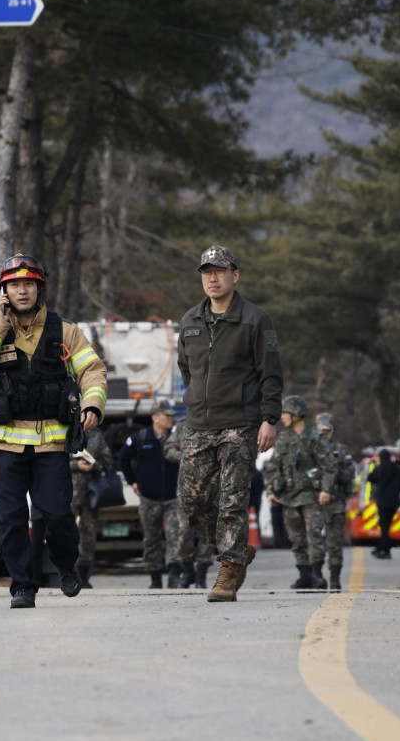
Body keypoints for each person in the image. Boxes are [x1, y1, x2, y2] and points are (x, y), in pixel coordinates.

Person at [0, 253, 108, 608]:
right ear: (4, 291)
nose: (22, 291)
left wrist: (92, 404)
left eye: (28, 284)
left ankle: (67, 566)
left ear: (39, 288)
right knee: (10, 519)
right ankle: (23, 585)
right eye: (14, 285)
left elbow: (92, 371)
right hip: (3, 442)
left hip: (50, 443)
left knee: (56, 513)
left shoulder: (65, 331)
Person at [176, 245, 284, 602]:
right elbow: (186, 370)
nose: (212, 277)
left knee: (232, 501)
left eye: (219, 271)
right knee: (191, 501)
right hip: (197, 424)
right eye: (206, 271)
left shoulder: (256, 320)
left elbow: (271, 374)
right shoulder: (190, 320)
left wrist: (269, 418)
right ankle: (236, 551)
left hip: (240, 424)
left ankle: (228, 570)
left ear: (234, 275)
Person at [264, 395, 335, 590]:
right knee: (296, 539)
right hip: (289, 497)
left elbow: (328, 466)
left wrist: (325, 490)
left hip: (312, 496)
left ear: (296, 414)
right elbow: (272, 466)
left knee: (314, 535)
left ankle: (317, 574)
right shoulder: (284, 438)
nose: (282, 417)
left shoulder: (315, 437)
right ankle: (304, 575)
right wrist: (271, 490)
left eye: (285, 413)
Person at [118, 400, 189, 588]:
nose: (171, 419)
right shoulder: (141, 438)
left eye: (172, 416)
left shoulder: (177, 440)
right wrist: (132, 480)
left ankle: (174, 575)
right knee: (151, 539)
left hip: (173, 497)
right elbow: (123, 458)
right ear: (155, 417)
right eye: (167, 416)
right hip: (149, 499)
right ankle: (155, 578)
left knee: (176, 537)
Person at [159, 414, 214, 588]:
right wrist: (186, 456)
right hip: (185, 489)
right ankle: (188, 570)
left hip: (210, 487)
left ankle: (201, 575)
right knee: (183, 533)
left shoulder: (216, 423)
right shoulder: (183, 426)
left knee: (207, 533)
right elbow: (168, 449)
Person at [315, 412, 358, 591]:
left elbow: (349, 474)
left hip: (335, 501)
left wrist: (334, 471)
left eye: (327, 431)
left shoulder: (340, 450)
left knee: (334, 542)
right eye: (321, 431)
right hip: (314, 502)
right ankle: (315, 575)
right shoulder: (310, 449)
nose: (324, 434)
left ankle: (334, 578)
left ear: (332, 431)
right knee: (313, 540)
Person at [70, 426, 114, 588]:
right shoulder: (64, 430)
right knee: (67, 536)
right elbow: (53, 463)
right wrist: (76, 466)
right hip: (68, 495)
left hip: (91, 495)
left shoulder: (96, 435)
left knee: (88, 537)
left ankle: (84, 578)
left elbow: (108, 462)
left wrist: (93, 465)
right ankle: (67, 575)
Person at [367, 449, 400, 559]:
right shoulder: (397, 469)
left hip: (382, 501)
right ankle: (382, 548)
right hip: (394, 501)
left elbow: (370, 478)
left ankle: (384, 550)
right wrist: (398, 489)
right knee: (387, 525)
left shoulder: (379, 469)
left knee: (384, 526)